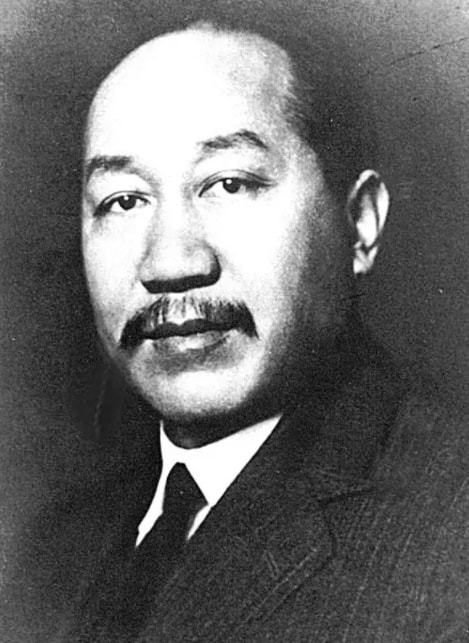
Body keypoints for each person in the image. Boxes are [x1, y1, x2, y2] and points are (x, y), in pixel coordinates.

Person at [4, 18, 469, 643]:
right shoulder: (54, 553)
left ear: (360, 224)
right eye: (124, 200)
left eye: (229, 183)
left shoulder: (451, 528)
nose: (171, 263)